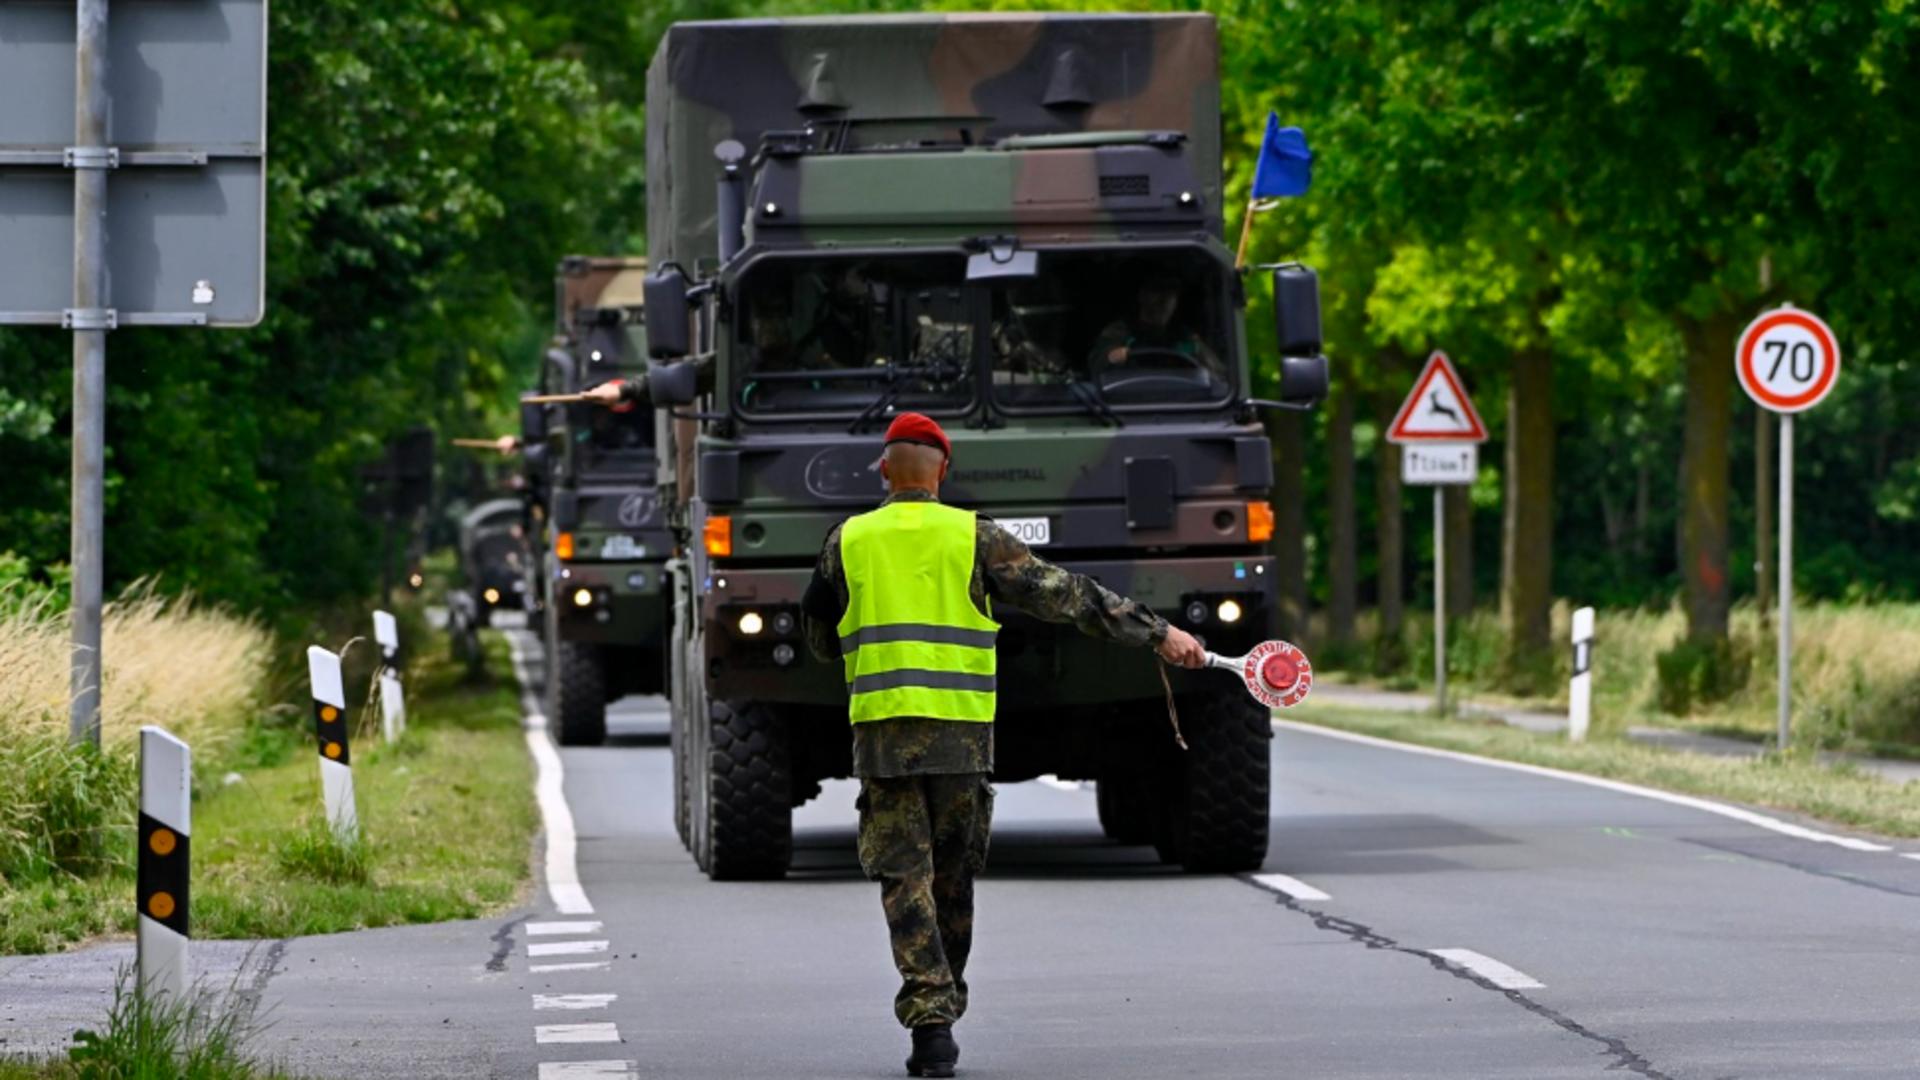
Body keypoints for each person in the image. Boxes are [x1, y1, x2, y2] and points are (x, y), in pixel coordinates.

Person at [799, 412, 1206, 1078]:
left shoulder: (846, 541)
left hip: (882, 736)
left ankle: (930, 1021)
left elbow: (818, 638)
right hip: (961, 738)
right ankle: (941, 1006)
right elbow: (1068, 597)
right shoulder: (974, 537)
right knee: (953, 878)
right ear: (944, 472)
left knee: (906, 879)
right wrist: (1157, 633)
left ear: (882, 471)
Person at [1086, 273, 1221, 374]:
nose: (1164, 299)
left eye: (1171, 292)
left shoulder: (1184, 336)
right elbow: (1097, 365)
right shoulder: (1119, 331)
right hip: (1128, 400)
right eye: (1157, 290)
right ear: (1142, 295)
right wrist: (1113, 357)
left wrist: (1201, 355)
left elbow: (1218, 373)